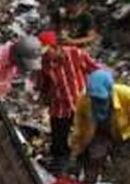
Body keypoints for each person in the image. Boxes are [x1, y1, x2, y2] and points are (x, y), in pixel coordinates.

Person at [36, 30, 101, 173]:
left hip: (80, 102)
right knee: (59, 138)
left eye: (48, 51)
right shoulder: (43, 64)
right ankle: (60, 164)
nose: (47, 55)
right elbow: (43, 85)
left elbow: (97, 70)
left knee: (86, 135)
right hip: (60, 106)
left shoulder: (75, 54)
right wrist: (44, 99)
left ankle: (84, 164)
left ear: (55, 47)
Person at [71, 69, 130, 179]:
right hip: (100, 132)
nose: (98, 102)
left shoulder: (127, 95)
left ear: (109, 91)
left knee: (124, 166)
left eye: (101, 99)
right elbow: (80, 126)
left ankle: (122, 179)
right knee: (95, 157)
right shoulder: (84, 101)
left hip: (124, 132)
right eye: (95, 99)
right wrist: (77, 147)